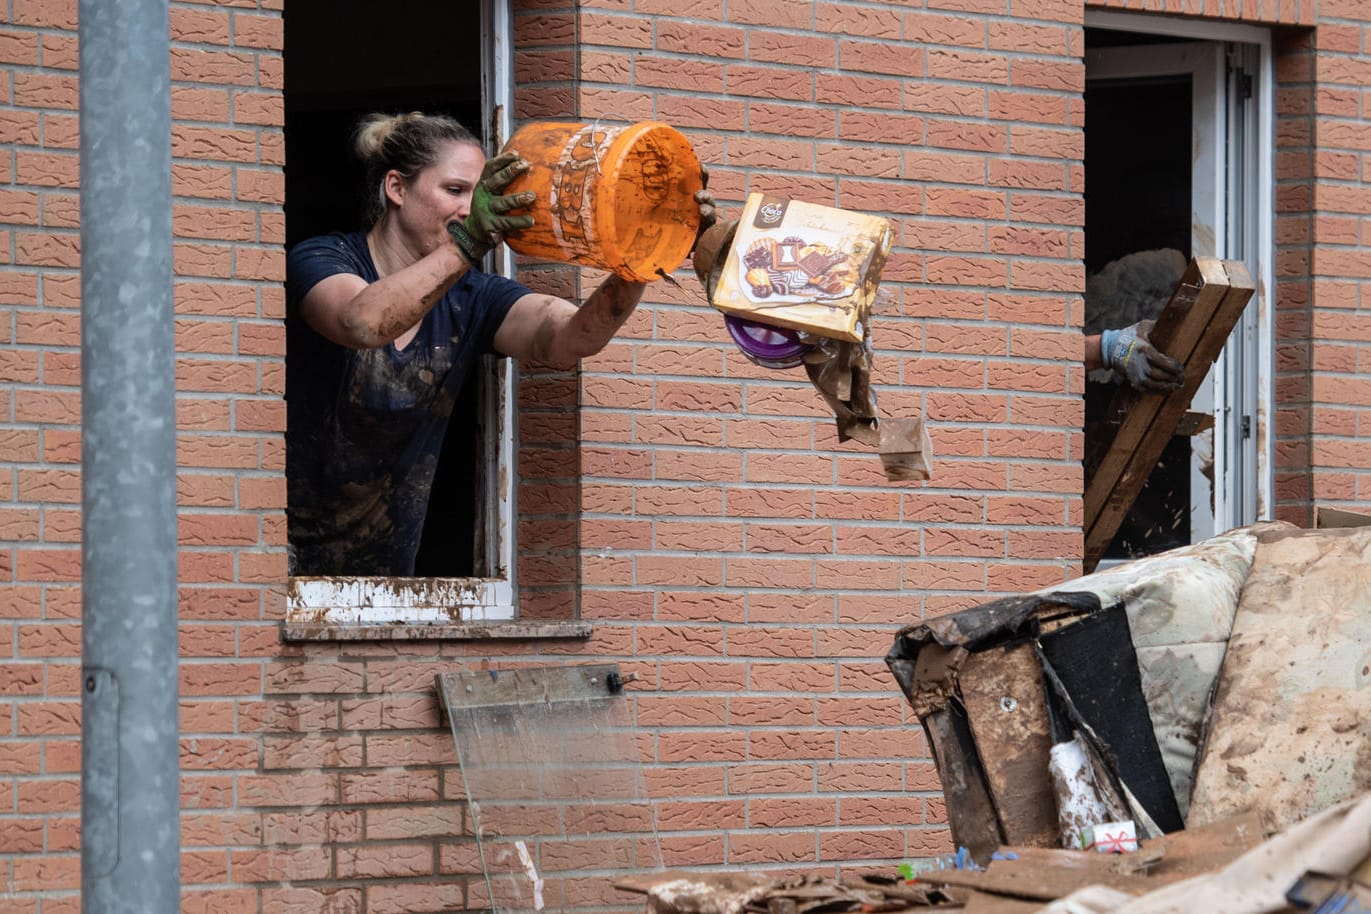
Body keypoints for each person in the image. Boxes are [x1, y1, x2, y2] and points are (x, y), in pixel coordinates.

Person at [286, 112, 715, 576]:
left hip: (384, 572)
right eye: (455, 191)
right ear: (397, 188)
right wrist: (467, 244)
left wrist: (641, 254)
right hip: (276, 555)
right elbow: (363, 322)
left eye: (479, 193)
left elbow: (573, 337)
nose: (472, 209)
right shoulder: (321, 257)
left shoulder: (474, 297)